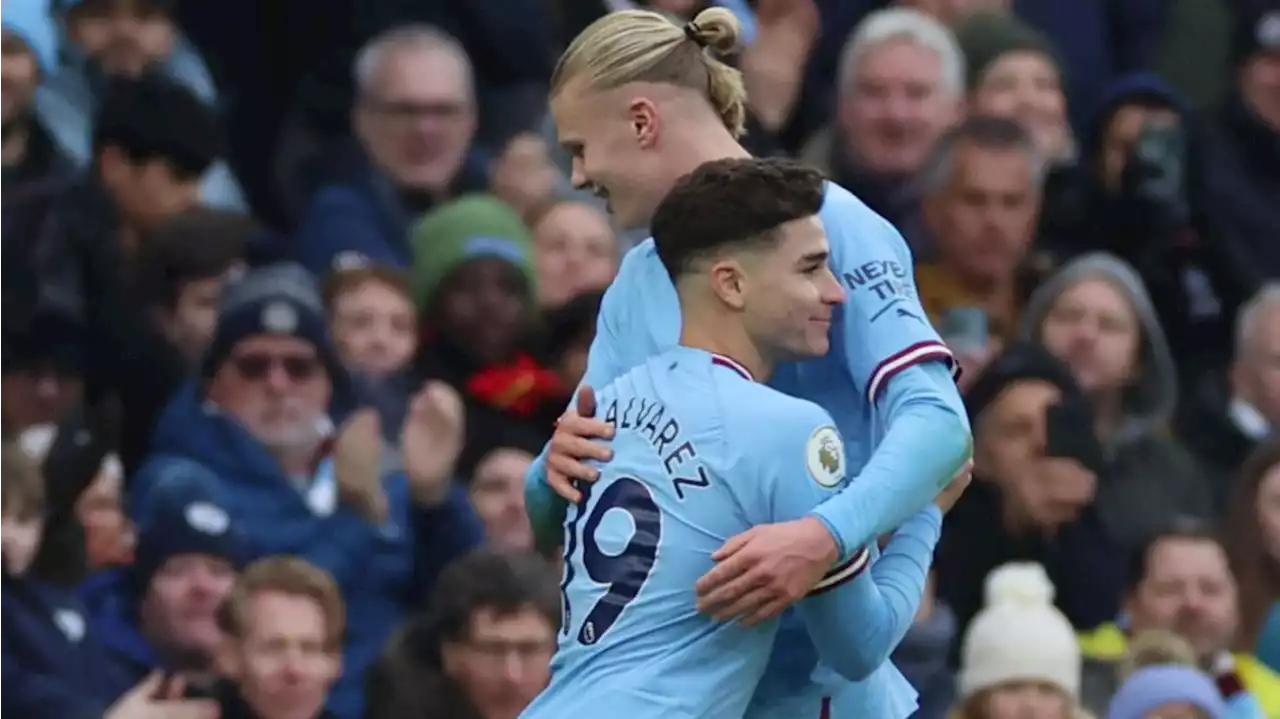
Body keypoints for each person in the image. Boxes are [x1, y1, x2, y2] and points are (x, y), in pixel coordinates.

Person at [526, 7, 971, 716]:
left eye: (579, 146)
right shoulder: (636, 282)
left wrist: (823, 536)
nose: (576, 175)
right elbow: (557, 496)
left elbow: (941, 427)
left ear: (642, 121)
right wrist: (553, 469)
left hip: (818, 682)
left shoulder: (833, 224)